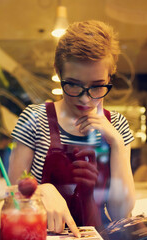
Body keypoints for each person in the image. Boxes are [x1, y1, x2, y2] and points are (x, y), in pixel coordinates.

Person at [8, 20, 135, 237]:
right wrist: (40, 191)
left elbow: (120, 213)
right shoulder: (35, 119)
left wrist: (117, 143)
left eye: (96, 86)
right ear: (58, 73)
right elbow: (12, 197)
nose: (85, 99)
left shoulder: (118, 126)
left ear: (109, 77)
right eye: (73, 84)